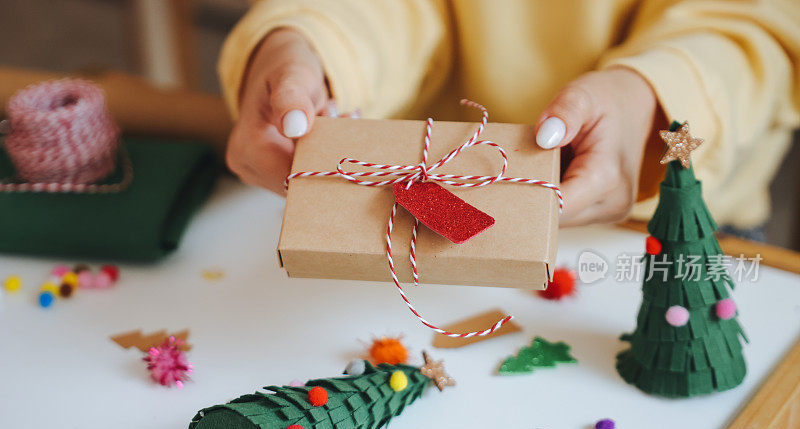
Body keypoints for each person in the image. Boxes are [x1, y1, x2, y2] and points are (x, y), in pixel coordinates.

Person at [220, 1, 800, 230]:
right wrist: (316, 42)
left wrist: (655, 98)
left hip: (677, 228)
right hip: (425, 201)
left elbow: (758, 24)